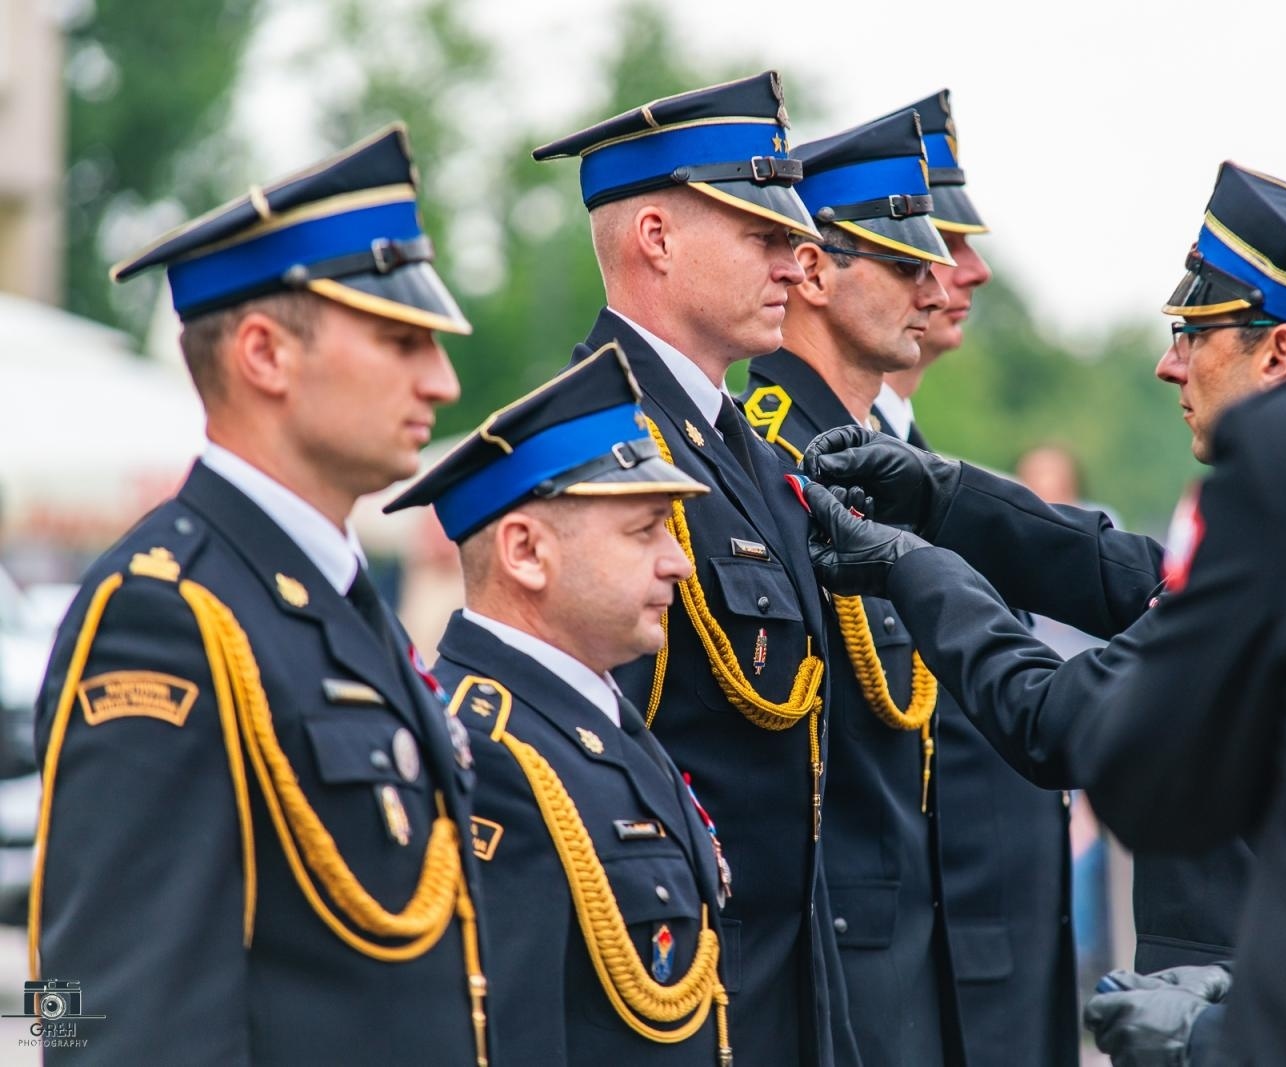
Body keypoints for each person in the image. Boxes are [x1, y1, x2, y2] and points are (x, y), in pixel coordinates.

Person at [806, 0, 1286, 1058]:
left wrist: (915, 566)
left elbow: (1094, 731)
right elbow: (1145, 582)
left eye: (1192, 330)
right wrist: (953, 498)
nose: (1168, 364)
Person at [31, 125, 492, 1064]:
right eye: (401, 339)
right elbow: (98, 1017)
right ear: (264, 354)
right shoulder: (162, 615)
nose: (441, 381)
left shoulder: (339, 601)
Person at [532, 73, 855, 1067]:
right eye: (762, 238)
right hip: (669, 1006)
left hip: (784, 997)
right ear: (657, 239)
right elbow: (581, 772)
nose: (793, 269)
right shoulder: (596, 450)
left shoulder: (746, 451)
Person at [386, 344, 739, 1065]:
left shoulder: (601, 717)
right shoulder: (483, 747)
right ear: (525, 552)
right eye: (644, 530)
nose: (677, 558)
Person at [739, 109, 959, 1067]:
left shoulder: (877, 464)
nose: (936, 282)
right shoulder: (775, 458)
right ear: (817, 273)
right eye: (905, 263)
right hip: (825, 953)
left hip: (900, 939)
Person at [870, 90, 1082, 1067]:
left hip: (993, 961)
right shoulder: (821, 477)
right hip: (917, 974)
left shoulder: (914, 473)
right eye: (930, 239)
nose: (969, 270)